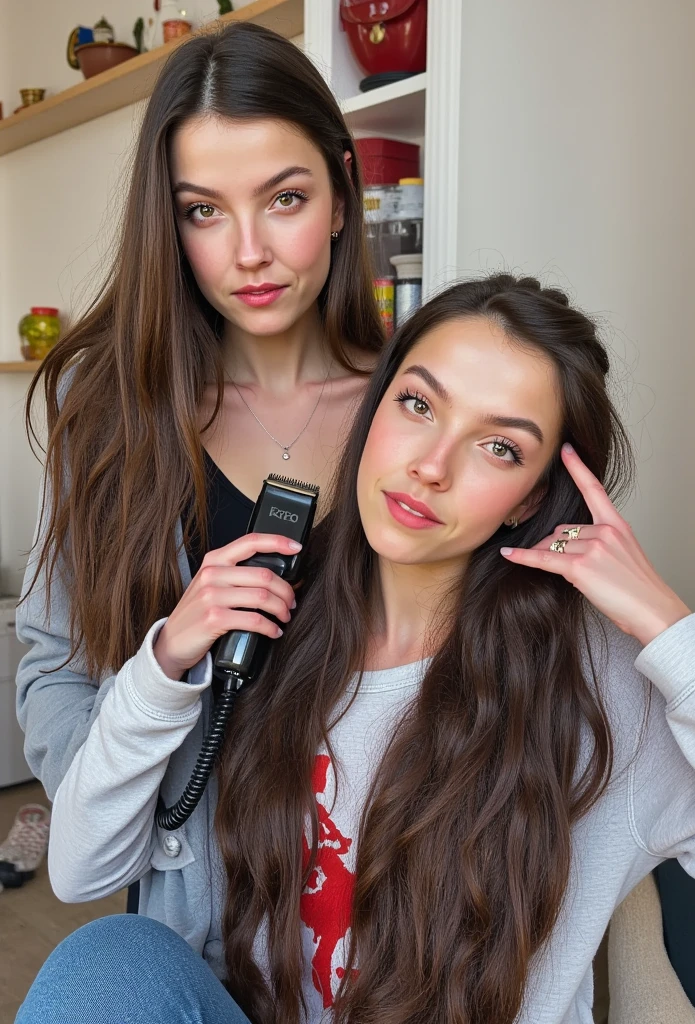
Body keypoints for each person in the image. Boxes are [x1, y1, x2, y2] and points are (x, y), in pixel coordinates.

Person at [17, 274, 695, 1024]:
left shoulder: (602, 689)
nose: (431, 465)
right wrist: (163, 670)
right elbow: (80, 867)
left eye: (499, 447)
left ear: (530, 497)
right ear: (372, 409)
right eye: (418, 404)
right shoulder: (274, 615)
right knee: (107, 964)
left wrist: (671, 631)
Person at [15, 18, 383, 915]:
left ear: (341, 192)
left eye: (284, 198)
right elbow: (54, 672)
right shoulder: (108, 420)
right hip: (195, 918)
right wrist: (115, 814)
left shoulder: (422, 412)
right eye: (204, 211)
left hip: (385, 917)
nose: (247, 250)